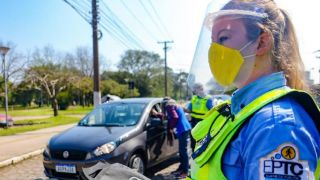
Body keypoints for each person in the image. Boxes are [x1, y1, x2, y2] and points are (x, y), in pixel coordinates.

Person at [187, 0, 320, 179]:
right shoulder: (240, 111)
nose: (213, 50)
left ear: (261, 43)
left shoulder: (278, 125)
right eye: (212, 41)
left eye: (223, 38)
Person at [164, 98, 192, 179]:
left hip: (182, 129)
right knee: (181, 150)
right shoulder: (176, 105)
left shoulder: (169, 106)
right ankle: (182, 168)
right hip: (184, 128)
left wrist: (172, 127)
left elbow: (175, 117)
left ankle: (185, 171)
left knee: (183, 151)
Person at [185, 83, 213, 152]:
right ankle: (193, 153)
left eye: (197, 89)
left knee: (202, 142)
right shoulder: (194, 98)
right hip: (194, 122)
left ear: (202, 89)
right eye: (195, 89)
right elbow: (189, 110)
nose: (195, 91)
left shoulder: (208, 99)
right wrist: (181, 108)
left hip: (203, 123)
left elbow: (212, 112)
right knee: (193, 140)